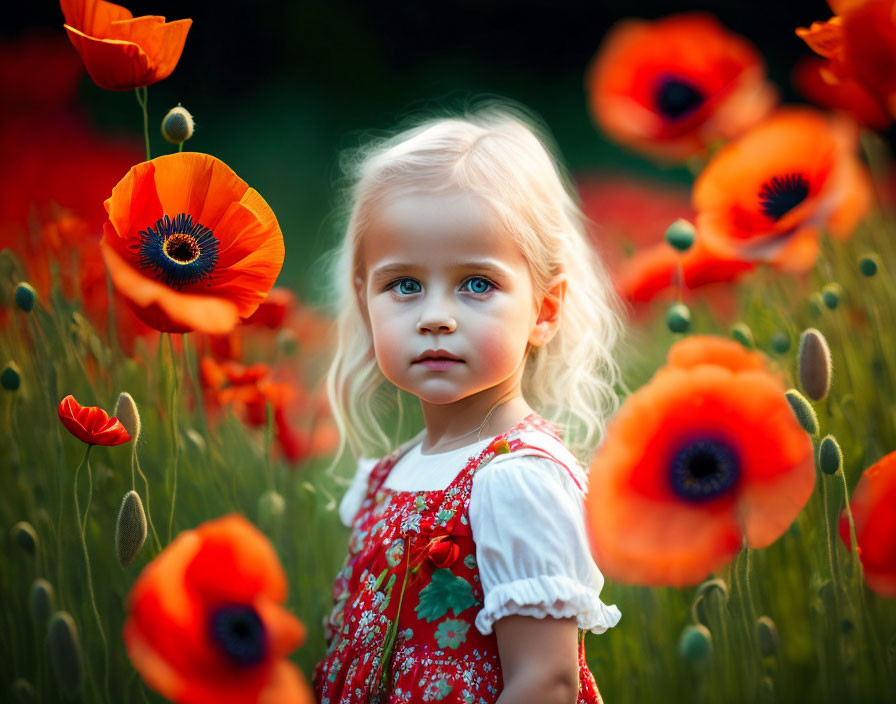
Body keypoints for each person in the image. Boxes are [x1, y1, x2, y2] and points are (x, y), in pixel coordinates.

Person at [313, 99, 626, 704]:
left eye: (476, 284)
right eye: (404, 285)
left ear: (544, 309)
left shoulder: (517, 478)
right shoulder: (388, 475)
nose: (435, 317)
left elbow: (547, 681)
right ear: (363, 298)